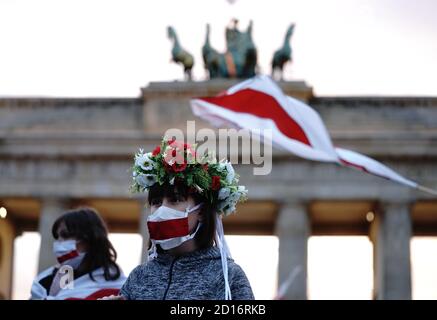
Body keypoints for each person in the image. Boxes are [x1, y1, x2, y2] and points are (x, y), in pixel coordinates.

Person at [111, 137, 254, 300]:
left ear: (200, 211)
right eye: (156, 202)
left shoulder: (229, 277)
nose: (163, 209)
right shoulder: (138, 277)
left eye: (175, 200)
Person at [30, 207, 126, 300]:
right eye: (57, 237)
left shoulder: (118, 288)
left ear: (89, 238)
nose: (58, 243)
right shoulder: (44, 281)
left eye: (65, 235)